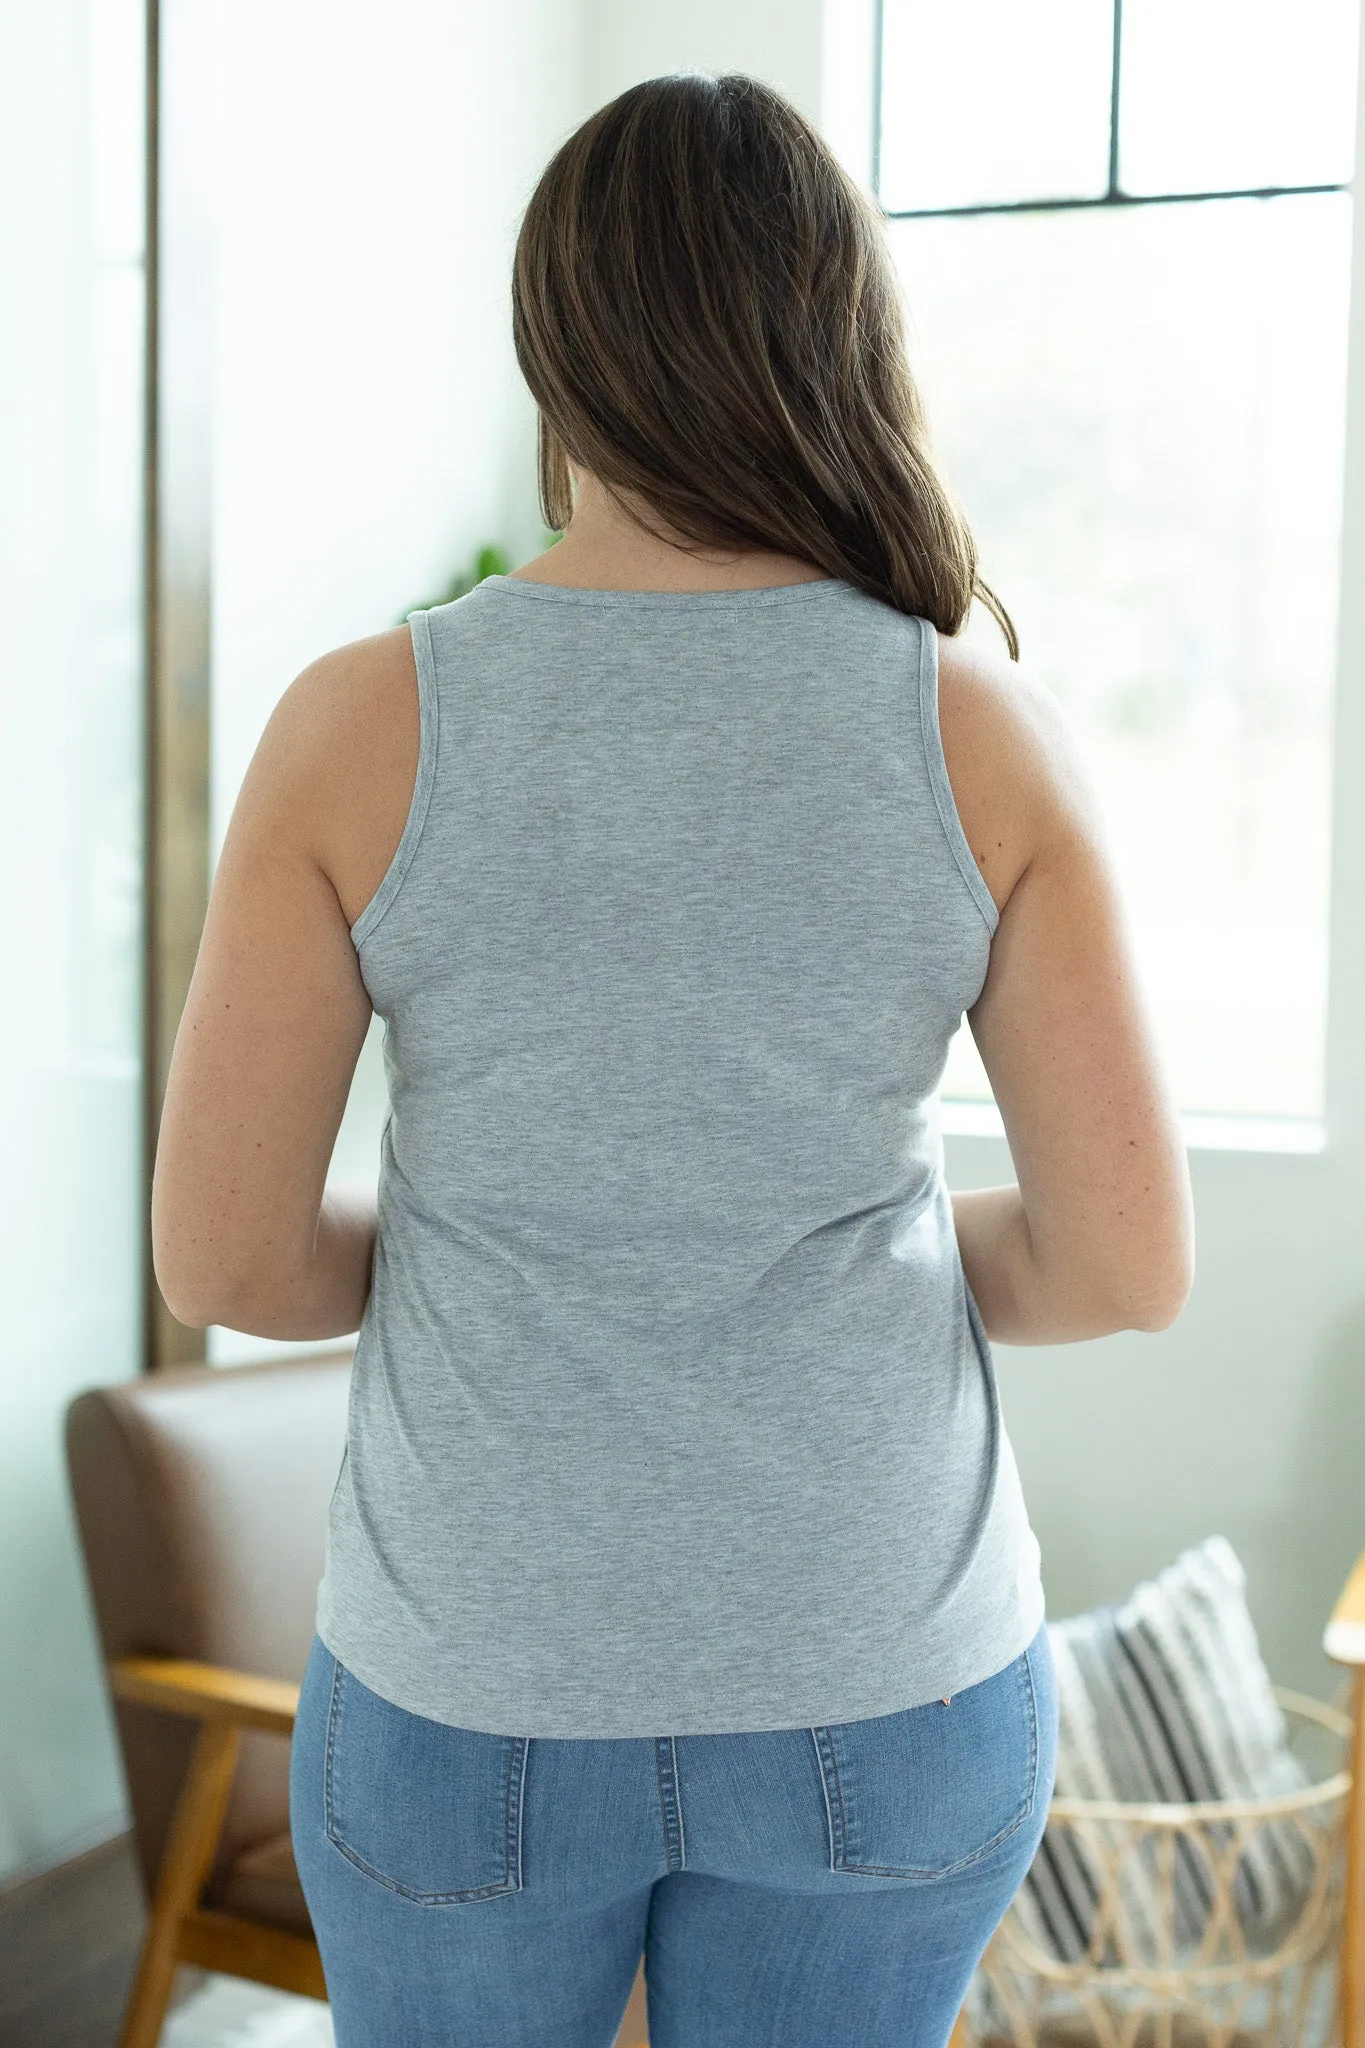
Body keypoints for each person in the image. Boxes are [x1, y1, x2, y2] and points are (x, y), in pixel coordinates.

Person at [151, 69, 1194, 2048]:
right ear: (840, 335)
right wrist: (821, 1232)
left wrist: (511, 1239)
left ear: (554, 349)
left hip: (471, 1691)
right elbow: (1123, 1268)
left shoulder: (358, 724)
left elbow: (223, 1260)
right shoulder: (980, 730)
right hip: (884, 1683)